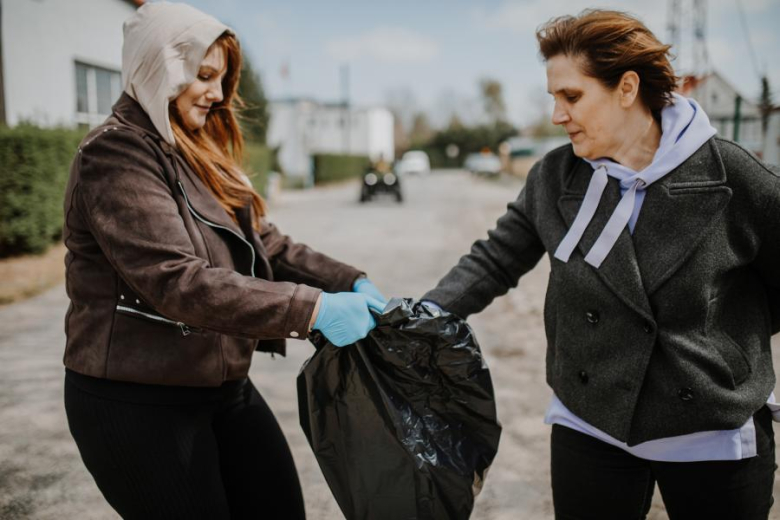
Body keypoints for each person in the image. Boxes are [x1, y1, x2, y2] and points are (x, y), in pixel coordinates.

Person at [422, 9, 780, 520]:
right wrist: (418, 316)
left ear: (627, 88)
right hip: (589, 420)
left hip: (709, 429)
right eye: (553, 98)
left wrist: (726, 352)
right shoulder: (555, 176)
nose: (557, 115)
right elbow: (494, 259)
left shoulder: (733, 176)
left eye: (571, 97)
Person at [61, 3, 386, 519]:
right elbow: (178, 282)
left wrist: (350, 280)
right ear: (158, 67)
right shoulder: (116, 153)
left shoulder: (196, 148)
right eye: (204, 76)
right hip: (137, 400)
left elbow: (266, 244)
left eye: (221, 78)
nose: (217, 94)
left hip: (222, 385)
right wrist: (313, 310)